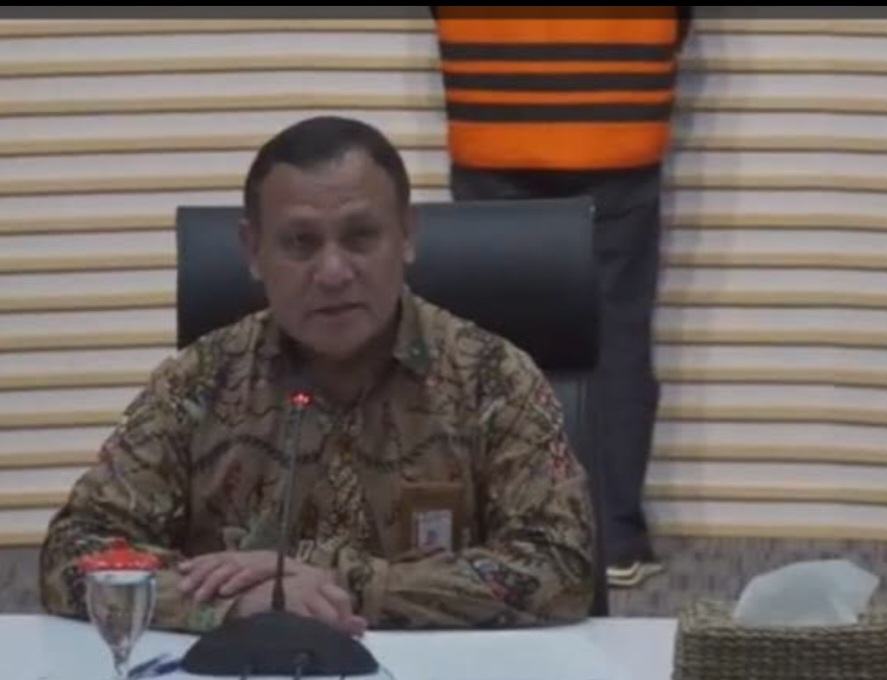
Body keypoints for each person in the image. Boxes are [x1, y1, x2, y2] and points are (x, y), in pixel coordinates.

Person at [39, 115, 598, 634]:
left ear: (406, 235)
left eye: (360, 237)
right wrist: (232, 600)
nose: (332, 272)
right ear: (253, 250)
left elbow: (562, 568)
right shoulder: (199, 381)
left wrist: (335, 585)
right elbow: (73, 551)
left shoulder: (491, 377)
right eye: (299, 243)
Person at [429, 6, 692, 588]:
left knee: (493, 346)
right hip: (619, 122)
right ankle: (614, 538)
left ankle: (505, 533)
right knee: (618, 339)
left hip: (492, 119)